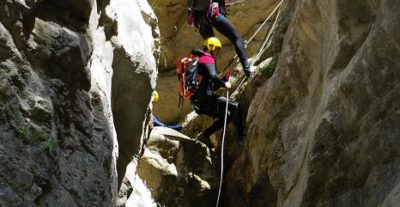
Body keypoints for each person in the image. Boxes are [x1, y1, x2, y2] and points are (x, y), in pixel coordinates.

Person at [190, 37, 244, 148]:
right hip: (206, 99)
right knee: (235, 106)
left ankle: (205, 135)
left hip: (198, 103)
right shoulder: (207, 58)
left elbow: (210, 85)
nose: (218, 52)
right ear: (211, 47)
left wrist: (225, 78)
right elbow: (214, 77)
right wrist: (225, 84)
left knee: (226, 117)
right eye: (217, 49)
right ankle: (242, 138)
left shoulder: (200, 60)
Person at [187, 0, 252, 77]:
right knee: (236, 37)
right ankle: (247, 67)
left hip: (200, 20)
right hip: (212, 13)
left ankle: (212, 78)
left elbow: (190, 10)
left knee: (210, 48)